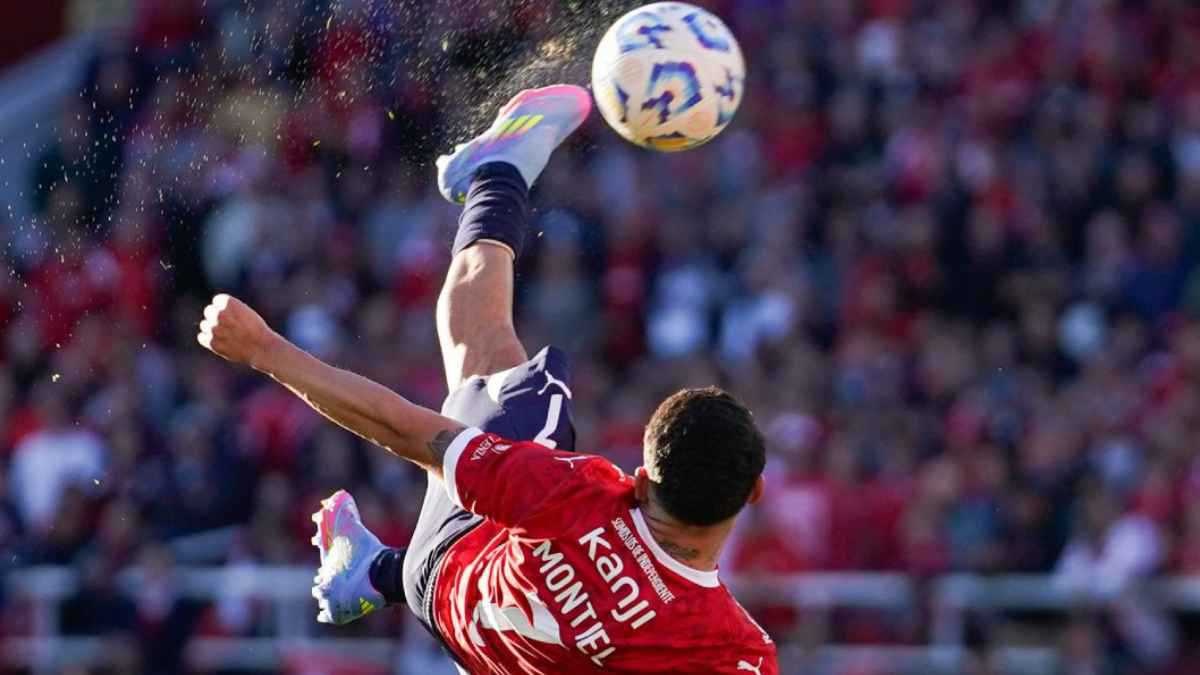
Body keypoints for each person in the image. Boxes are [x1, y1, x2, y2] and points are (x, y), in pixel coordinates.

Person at [197, 84, 779, 674]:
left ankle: (501, 170)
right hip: (471, 640)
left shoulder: (575, 494)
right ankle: (373, 573)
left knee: (500, 369)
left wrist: (265, 350)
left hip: (446, 577)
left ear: (643, 478)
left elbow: (402, 428)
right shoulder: (736, 652)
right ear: (754, 491)